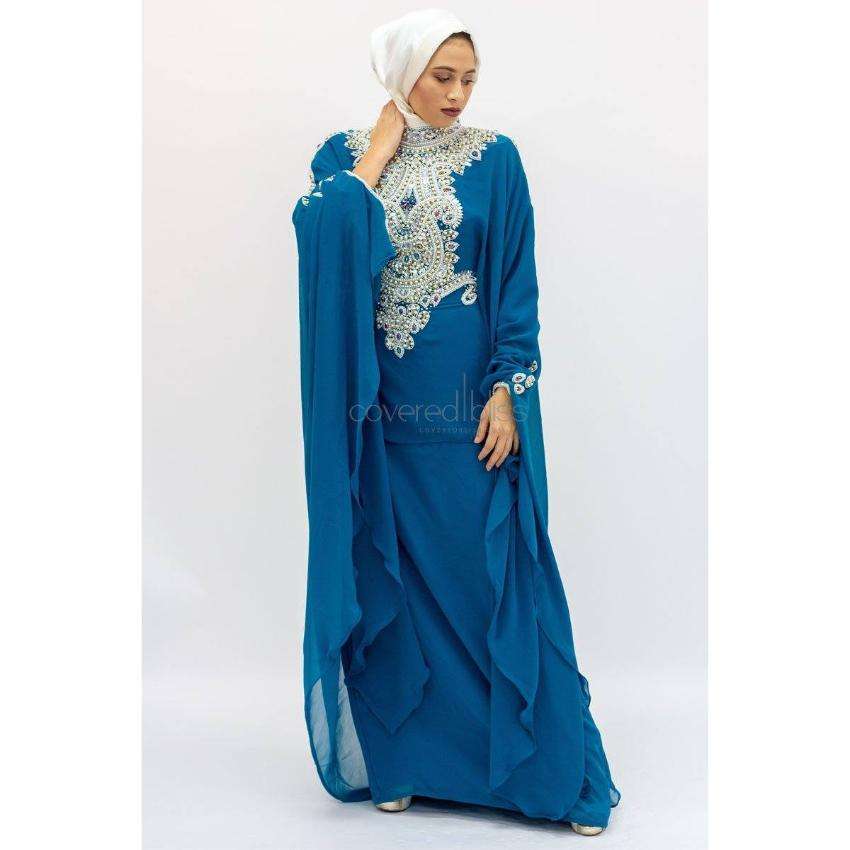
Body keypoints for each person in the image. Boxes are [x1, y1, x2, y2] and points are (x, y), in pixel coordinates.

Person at [291, 8, 620, 836]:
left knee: (499, 584)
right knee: (392, 587)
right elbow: (321, 242)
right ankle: (407, 764)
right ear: (403, 73)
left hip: (470, 420)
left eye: (469, 79)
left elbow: (516, 284)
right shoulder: (341, 159)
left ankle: (553, 779)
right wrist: (376, 156)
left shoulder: (496, 160)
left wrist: (509, 388)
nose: (458, 95)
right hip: (380, 426)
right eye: (442, 77)